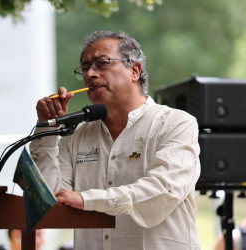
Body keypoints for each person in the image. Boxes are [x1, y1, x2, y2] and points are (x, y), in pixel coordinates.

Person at [30, 30, 201, 249]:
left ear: (135, 70)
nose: (90, 74)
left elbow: (162, 190)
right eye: (85, 68)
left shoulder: (176, 124)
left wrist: (86, 200)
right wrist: (48, 128)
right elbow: (50, 197)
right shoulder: (76, 135)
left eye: (102, 63)